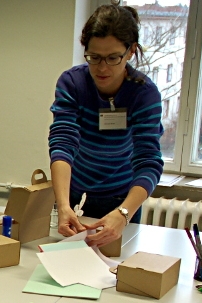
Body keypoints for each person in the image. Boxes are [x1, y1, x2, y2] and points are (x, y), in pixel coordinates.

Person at [49, 1, 163, 247]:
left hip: (123, 200)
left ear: (131, 51)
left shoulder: (144, 93)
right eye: (94, 57)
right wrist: (63, 204)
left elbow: (149, 161)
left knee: (116, 272)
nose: (101, 68)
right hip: (75, 197)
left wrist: (124, 213)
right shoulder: (72, 84)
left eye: (112, 58)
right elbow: (62, 144)